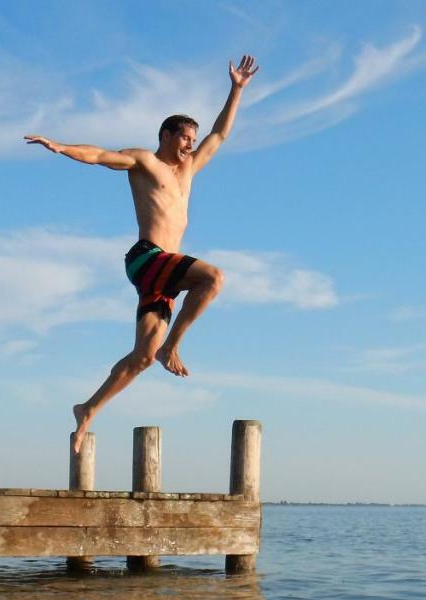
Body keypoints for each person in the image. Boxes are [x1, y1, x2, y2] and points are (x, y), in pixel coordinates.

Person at [26, 55, 259, 453]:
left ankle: (87, 410)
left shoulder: (188, 171)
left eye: (191, 140)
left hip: (164, 275)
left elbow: (219, 136)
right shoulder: (145, 162)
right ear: (167, 135)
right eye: (185, 137)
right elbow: (99, 155)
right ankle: (173, 346)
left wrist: (236, 90)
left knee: (142, 358)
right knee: (213, 278)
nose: (190, 145)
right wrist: (61, 146)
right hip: (147, 257)